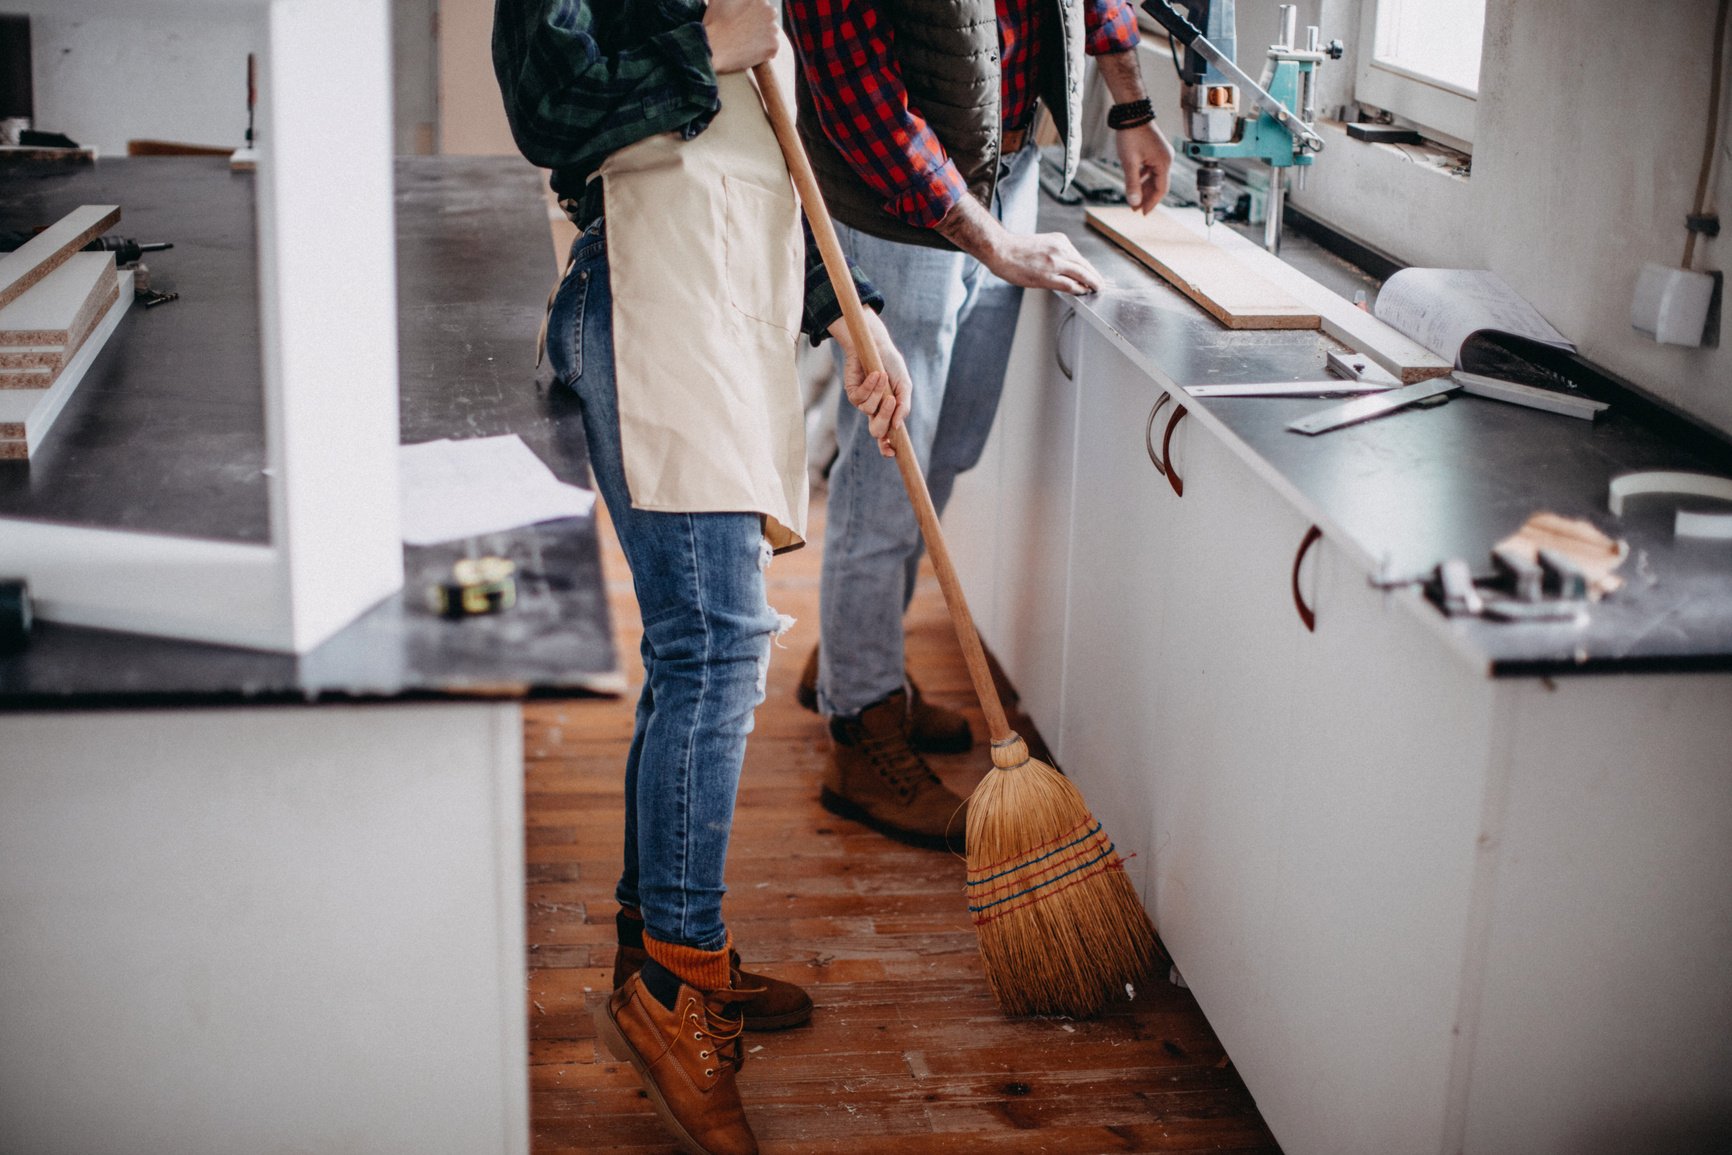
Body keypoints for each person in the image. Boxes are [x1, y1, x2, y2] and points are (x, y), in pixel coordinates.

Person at [493, 2, 912, 1151]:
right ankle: (674, 986)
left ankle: (663, 947)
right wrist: (705, 43)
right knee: (718, 645)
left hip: (727, 313)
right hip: (646, 304)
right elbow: (544, 102)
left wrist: (849, 313)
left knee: (701, 646)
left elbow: (766, 165)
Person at [783, 0, 1175, 850]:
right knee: (893, 470)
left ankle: (858, 655)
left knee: (951, 443)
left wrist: (1132, 106)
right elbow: (859, 102)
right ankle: (859, 729)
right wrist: (991, 243)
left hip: (1010, 169)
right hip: (893, 204)